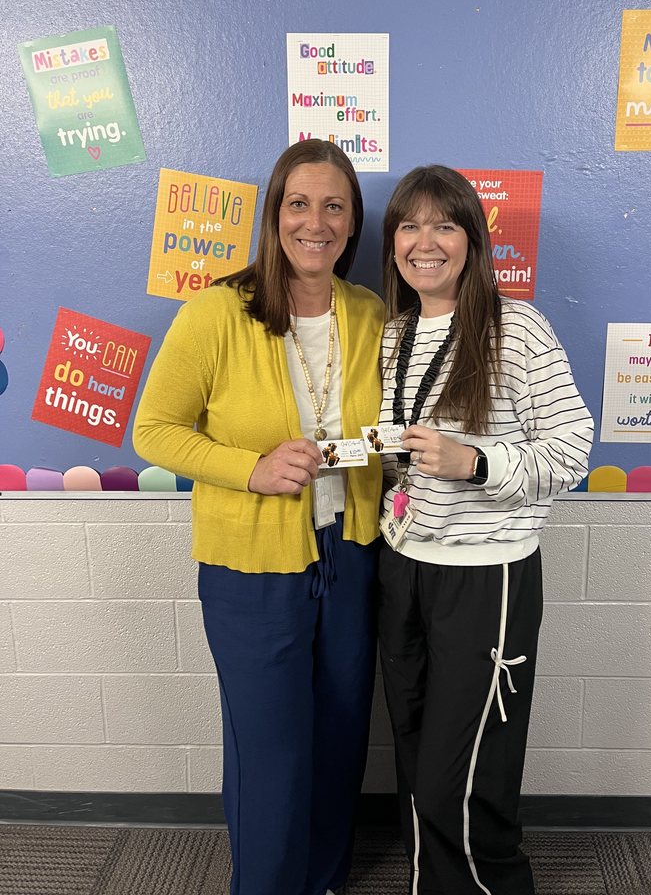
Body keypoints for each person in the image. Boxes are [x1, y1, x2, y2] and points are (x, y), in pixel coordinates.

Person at [133, 139, 384, 895]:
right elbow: (155, 430)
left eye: (334, 205)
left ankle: (327, 879)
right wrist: (252, 468)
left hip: (352, 556)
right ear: (275, 215)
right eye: (299, 204)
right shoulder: (217, 310)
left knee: (342, 739)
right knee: (271, 752)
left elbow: (386, 427)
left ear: (352, 222)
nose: (317, 222)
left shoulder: (370, 312)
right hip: (250, 569)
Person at [376, 165, 593, 895]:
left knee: (465, 772)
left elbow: (572, 450)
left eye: (444, 224)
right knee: (414, 755)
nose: (424, 241)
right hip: (402, 562)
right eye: (409, 225)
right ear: (393, 240)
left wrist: (474, 461)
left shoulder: (517, 325)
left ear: (472, 238)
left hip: (486, 573)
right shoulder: (394, 332)